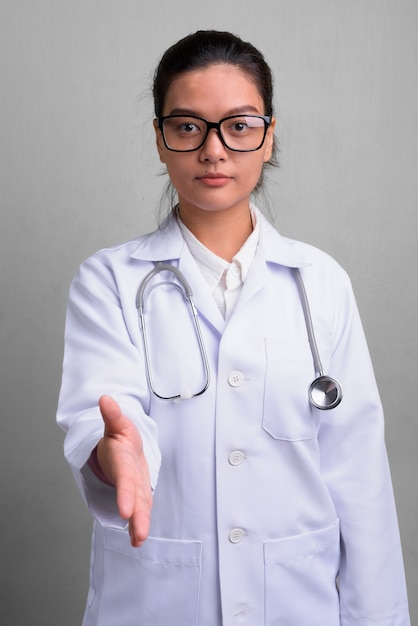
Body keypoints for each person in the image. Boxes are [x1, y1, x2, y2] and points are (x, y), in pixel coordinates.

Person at [57, 30, 410, 626]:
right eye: (188, 126)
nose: (213, 150)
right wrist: (116, 451)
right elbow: (103, 411)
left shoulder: (320, 283)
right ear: (161, 140)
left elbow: (360, 478)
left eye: (239, 126)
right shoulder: (110, 280)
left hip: (301, 603)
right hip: (157, 601)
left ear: (269, 136)